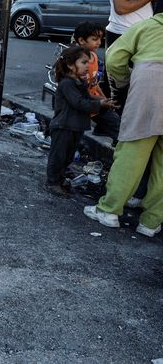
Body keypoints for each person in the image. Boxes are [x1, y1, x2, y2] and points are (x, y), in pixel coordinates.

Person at [84, 12, 163, 236]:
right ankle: (151, 222)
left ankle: (109, 210)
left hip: (150, 86)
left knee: (131, 152)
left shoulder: (147, 26)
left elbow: (115, 55)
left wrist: (122, 81)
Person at [44, 46, 113, 198]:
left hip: (75, 126)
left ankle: (60, 179)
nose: (88, 66)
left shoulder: (78, 82)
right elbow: (79, 103)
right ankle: (52, 182)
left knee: (68, 156)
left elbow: (88, 97)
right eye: (84, 62)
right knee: (58, 156)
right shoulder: (67, 84)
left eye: (88, 62)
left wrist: (102, 100)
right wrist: (100, 104)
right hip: (64, 126)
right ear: (70, 64)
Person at [105, 0, 163, 108]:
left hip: (134, 36)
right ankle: (121, 130)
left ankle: (111, 126)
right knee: (126, 91)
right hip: (124, 36)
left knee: (127, 90)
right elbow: (121, 7)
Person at [72, 22, 120, 142]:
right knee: (72, 138)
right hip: (83, 104)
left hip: (95, 103)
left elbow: (94, 83)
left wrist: (104, 98)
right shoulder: (74, 61)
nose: (99, 42)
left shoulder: (94, 56)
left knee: (116, 125)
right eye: (94, 39)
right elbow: (76, 89)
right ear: (82, 40)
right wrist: (100, 101)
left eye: (100, 39)